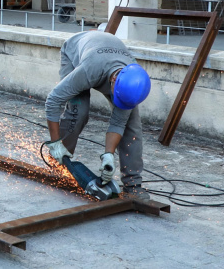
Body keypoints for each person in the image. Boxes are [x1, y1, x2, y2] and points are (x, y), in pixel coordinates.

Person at [45, 29, 152, 199]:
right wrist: (55, 142)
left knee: (132, 124)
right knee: (78, 111)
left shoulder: (133, 81)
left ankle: (133, 183)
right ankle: (59, 163)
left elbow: (118, 123)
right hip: (76, 54)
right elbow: (53, 100)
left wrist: (108, 156)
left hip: (102, 53)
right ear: (113, 81)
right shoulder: (89, 70)